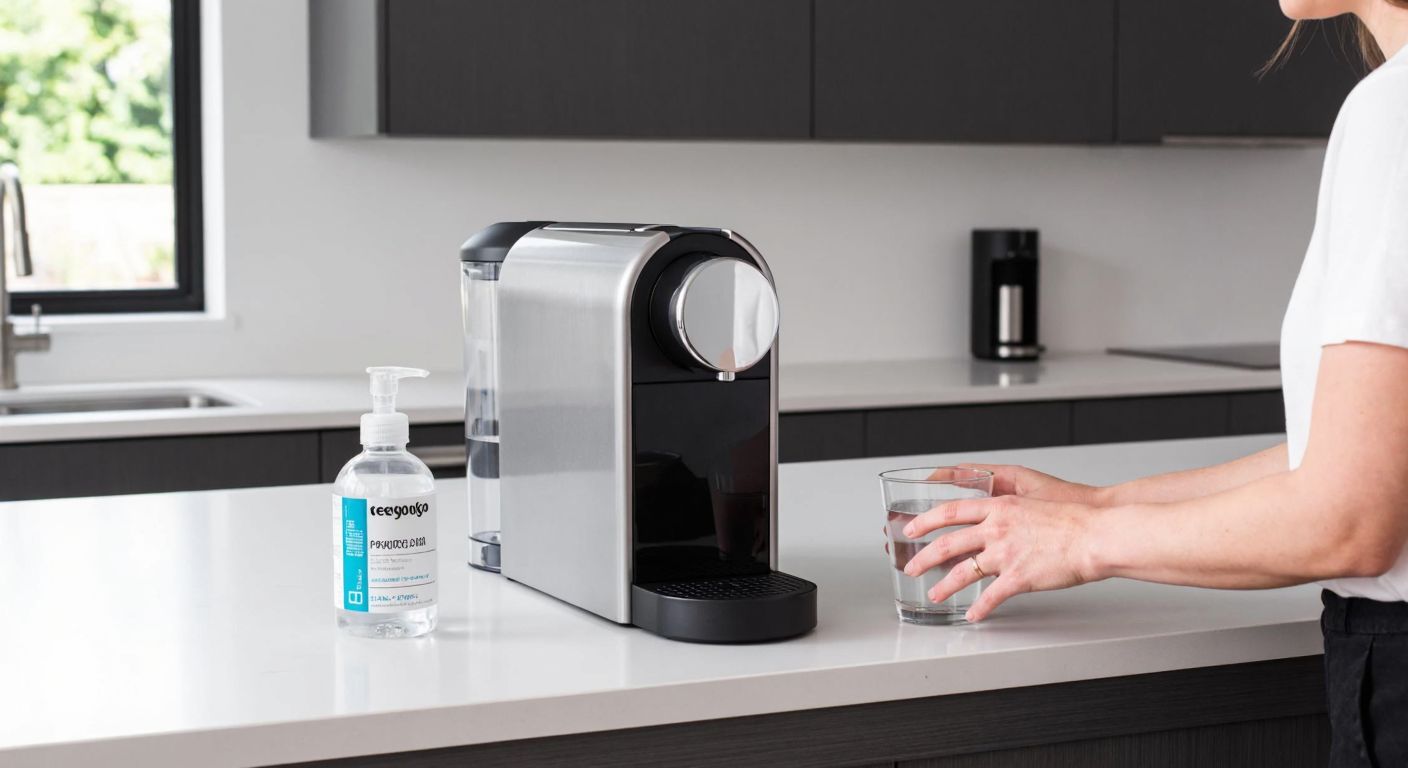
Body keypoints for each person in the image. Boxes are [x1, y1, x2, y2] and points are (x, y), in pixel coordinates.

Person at [903, 2, 1408, 765]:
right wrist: (1100, 502)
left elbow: (1349, 518)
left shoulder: (1393, 114)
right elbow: (1355, 462)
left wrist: (1083, 542)